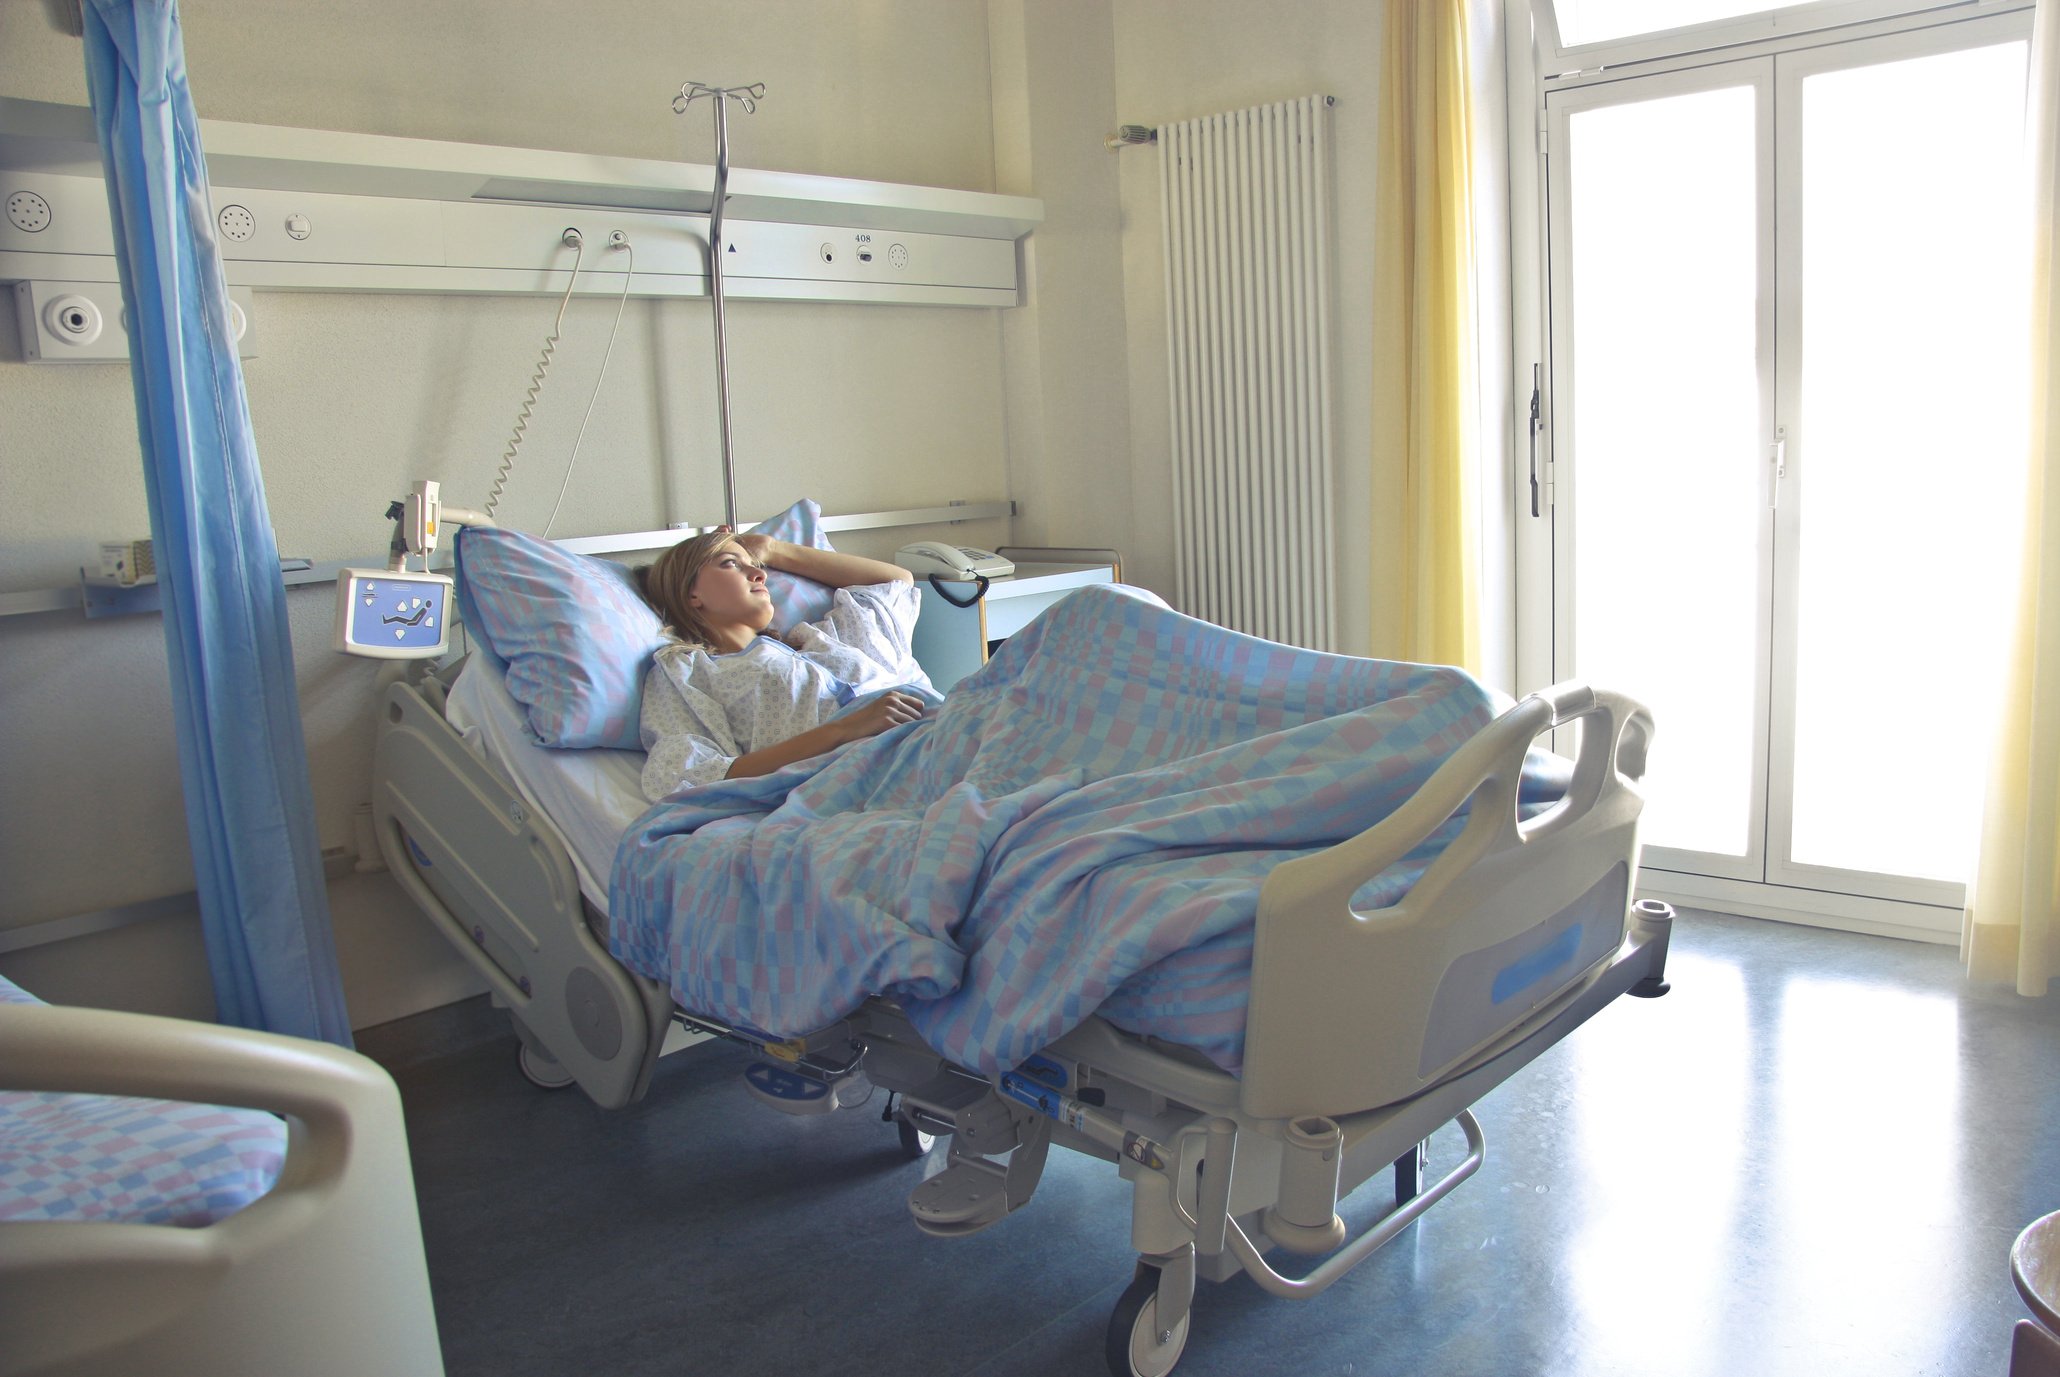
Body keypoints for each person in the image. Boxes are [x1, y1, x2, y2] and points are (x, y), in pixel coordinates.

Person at [634, 529, 934, 799]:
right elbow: (685, 775)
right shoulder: (686, 671)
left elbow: (895, 582)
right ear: (690, 593)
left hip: (933, 734)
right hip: (877, 776)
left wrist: (772, 549)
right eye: (730, 563)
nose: (759, 574)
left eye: (756, 565)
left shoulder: (816, 641)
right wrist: (843, 729)